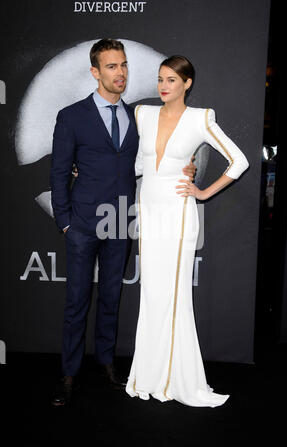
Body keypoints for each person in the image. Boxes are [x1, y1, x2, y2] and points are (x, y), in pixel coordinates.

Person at [50, 40, 196, 406]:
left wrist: (186, 167)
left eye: (124, 65)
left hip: (120, 221)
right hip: (82, 223)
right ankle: (68, 374)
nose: (121, 73)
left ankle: (106, 364)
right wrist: (66, 222)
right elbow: (57, 174)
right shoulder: (72, 116)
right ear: (95, 72)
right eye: (112, 67)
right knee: (77, 302)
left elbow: (156, 155)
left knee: (111, 298)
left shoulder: (138, 116)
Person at [125, 55, 250, 407]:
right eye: (160, 79)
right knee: (151, 294)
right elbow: (137, 164)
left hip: (179, 214)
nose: (163, 86)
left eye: (171, 80)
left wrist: (204, 192)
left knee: (175, 294)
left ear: (187, 84)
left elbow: (239, 160)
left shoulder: (201, 118)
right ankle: (148, 375)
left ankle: (175, 379)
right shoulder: (143, 114)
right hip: (149, 212)